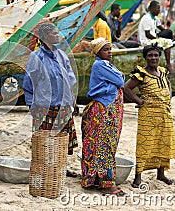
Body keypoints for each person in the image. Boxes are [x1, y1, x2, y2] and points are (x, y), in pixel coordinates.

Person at [23, 22, 79, 178]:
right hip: (44, 107)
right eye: (54, 34)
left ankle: (61, 167)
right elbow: (29, 82)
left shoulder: (62, 55)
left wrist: (72, 99)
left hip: (64, 106)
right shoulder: (36, 57)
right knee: (44, 141)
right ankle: (43, 169)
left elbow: (70, 79)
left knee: (62, 140)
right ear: (45, 37)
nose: (58, 36)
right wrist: (31, 105)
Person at [123, 44, 175, 187]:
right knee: (145, 145)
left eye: (156, 55)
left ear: (159, 57)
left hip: (164, 114)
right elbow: (126, 88)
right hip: (148, 116)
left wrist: (168, 98)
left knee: (163, 143)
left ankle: (161, 174)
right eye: (150, 55)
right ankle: (138, 178)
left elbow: (168, 84)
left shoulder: (162, 72)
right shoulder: (141, 73)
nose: (153, 58)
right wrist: (139, 100)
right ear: (145, 58)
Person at [81, 37, 125, 196]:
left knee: (103, 145)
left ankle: (95, 179)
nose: (110, 52)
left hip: (108, 109)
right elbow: (120, 80)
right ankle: (107, 184)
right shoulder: (100, 64)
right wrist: (119, 76)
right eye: (106, 50)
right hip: (105, 110)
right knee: (105, 146)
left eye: (110, 49)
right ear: (98, 52)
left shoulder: (105, 64)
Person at [138, 0, 175, 74]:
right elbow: (148, 34)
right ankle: (168, 65)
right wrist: (158, 39)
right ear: (152, 8)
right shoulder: (147, 18)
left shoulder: (154, 18)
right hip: (146, 41)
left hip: (151, 40)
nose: (159, 10)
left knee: (168, 35)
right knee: (168, 42)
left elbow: (162, 29)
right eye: (158, 8)